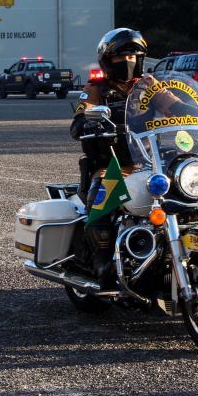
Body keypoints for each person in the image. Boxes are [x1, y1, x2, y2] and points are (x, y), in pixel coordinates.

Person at [69, 28, 149, 285]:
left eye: (133, 56)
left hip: (152, 162)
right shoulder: (97, 88)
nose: (128, 62)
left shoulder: (150, 86)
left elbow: (177, 106)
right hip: (115, 163)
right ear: (107, 60)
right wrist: (86, 122)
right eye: (121, 57)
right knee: (103, 188)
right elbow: (81, 116)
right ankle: (101, 257)